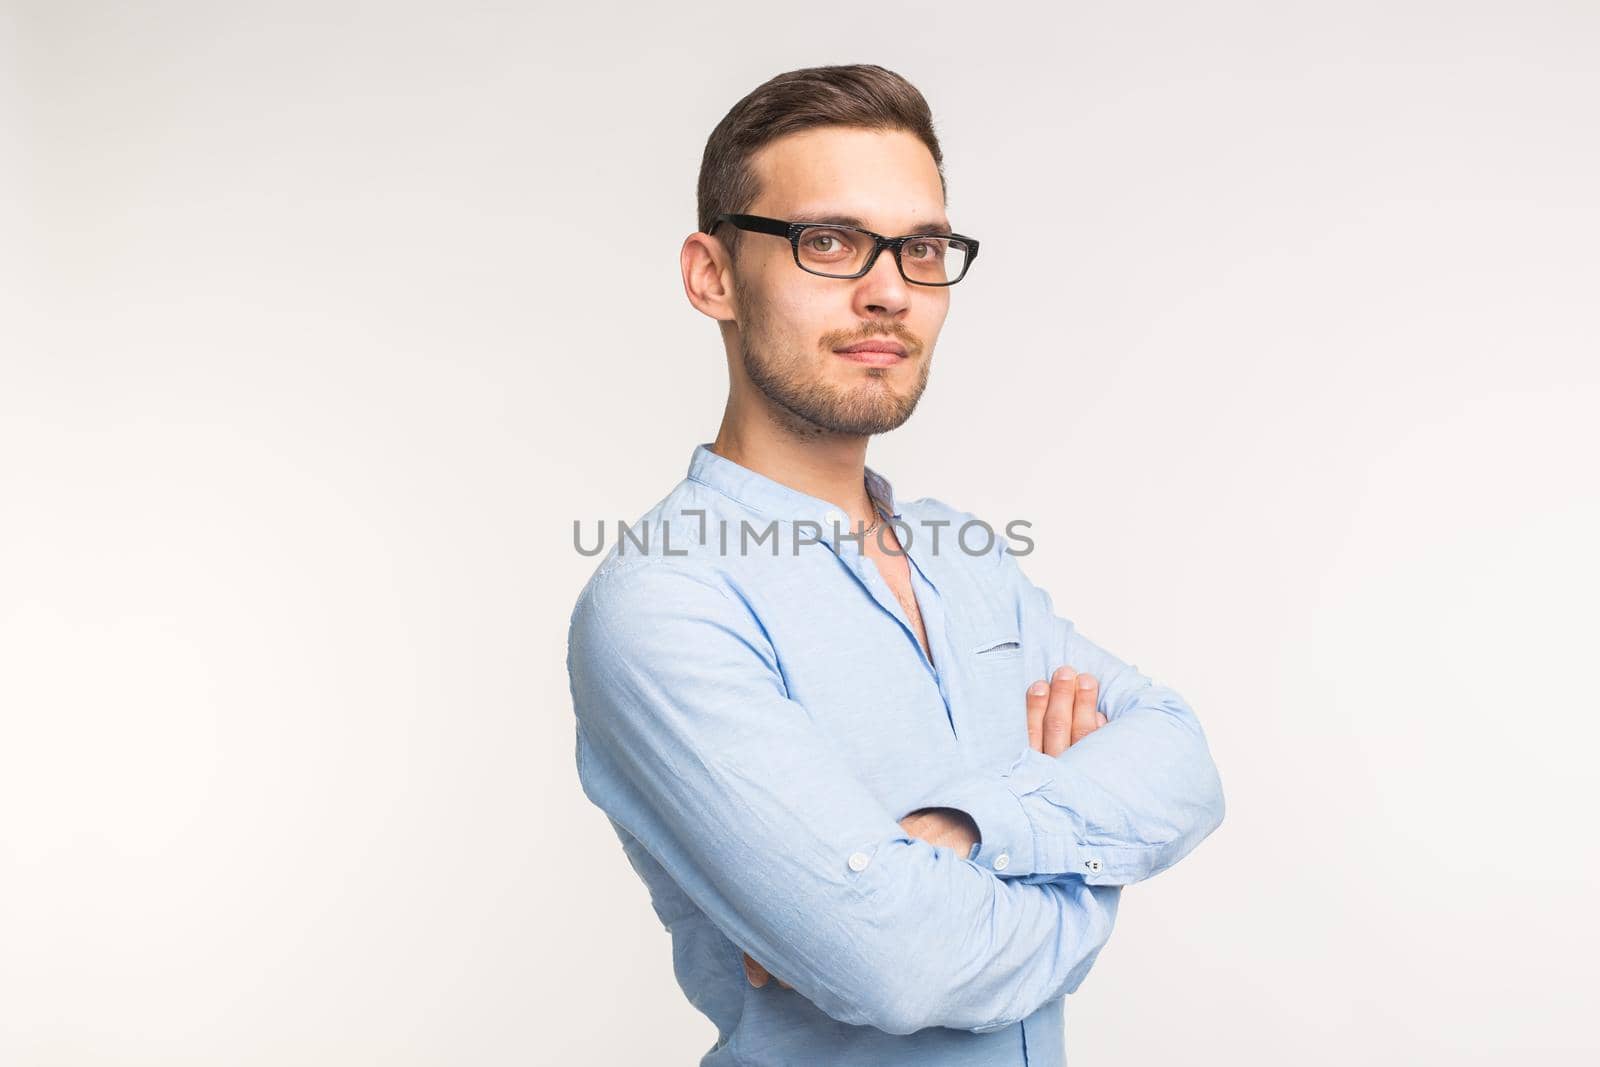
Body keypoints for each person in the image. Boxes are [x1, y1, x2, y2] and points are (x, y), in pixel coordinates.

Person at [566, 63, 1225, 1066]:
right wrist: (1091, 862)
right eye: (827, 242)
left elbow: (1181, 760)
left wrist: (966, 830)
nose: (887, 292)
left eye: (919, 248)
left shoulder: (965, 560)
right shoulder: (665, 602)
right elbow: (907, 967)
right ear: (713, 276)